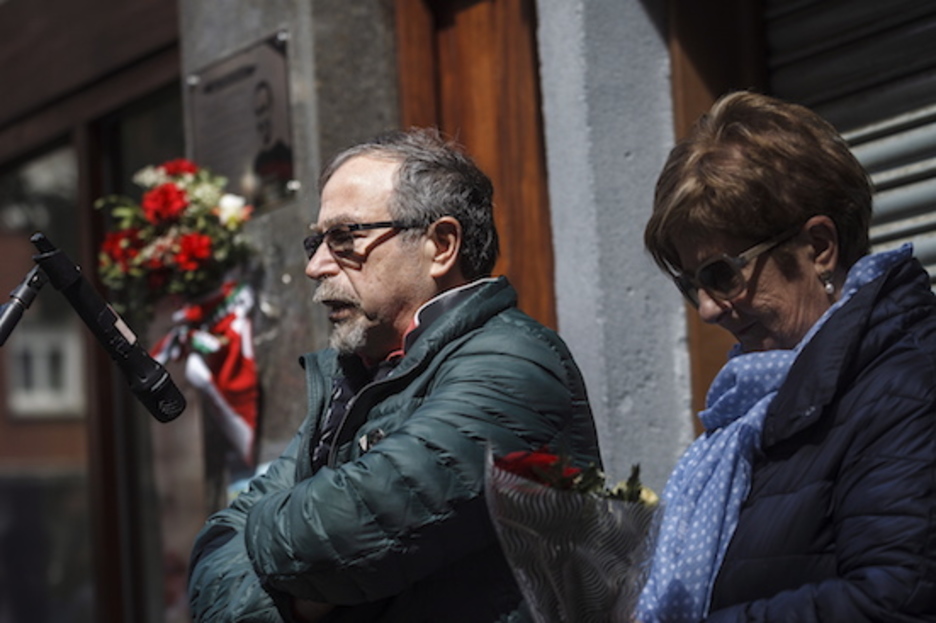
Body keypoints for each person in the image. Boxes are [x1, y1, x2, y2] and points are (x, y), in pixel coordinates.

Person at [187, 128, 601, 622]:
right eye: (315, 242)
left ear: (441, 244)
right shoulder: (360, 376)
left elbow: (342, 538)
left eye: (344, 237)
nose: (316, 266)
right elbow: (214, 553)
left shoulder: (513, 363)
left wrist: (298, 574)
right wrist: (303, 601)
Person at [637, 91, 936, 622]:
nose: (707, 309)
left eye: (722, 274)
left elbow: (898, 599)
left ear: (819, 247)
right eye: (692, 285)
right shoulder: (759, 407)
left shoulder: (907, 385)